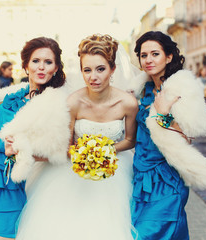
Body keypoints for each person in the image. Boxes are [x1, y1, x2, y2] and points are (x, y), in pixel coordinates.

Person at [11, 34, 138, 240]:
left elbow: (130, 140)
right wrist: (84, 154)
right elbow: (66, 145)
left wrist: (105, 152)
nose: (93, 77)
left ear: (112, 69)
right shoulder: (73, 102)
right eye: (87, 70)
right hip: (74, 171)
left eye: (100, 69)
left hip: (115, 172)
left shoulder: (128, 103)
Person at [0, 37, 66, 239]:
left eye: (48, 62)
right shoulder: (13, 94)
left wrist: (21, 150)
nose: (41, 67)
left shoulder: (55, 104)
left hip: (9, 178)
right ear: (26, 66)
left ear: (56, 67)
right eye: (35, 61)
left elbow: (58, 150)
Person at [131, 31, 206, 239]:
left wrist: (163, 115)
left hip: (166, 177)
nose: (148, 60)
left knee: (146, 235)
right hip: (140, 176)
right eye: (143, 55)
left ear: (169, 56)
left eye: (155, 54)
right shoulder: (142, 89)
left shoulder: (181, 88)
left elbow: (192, 133)